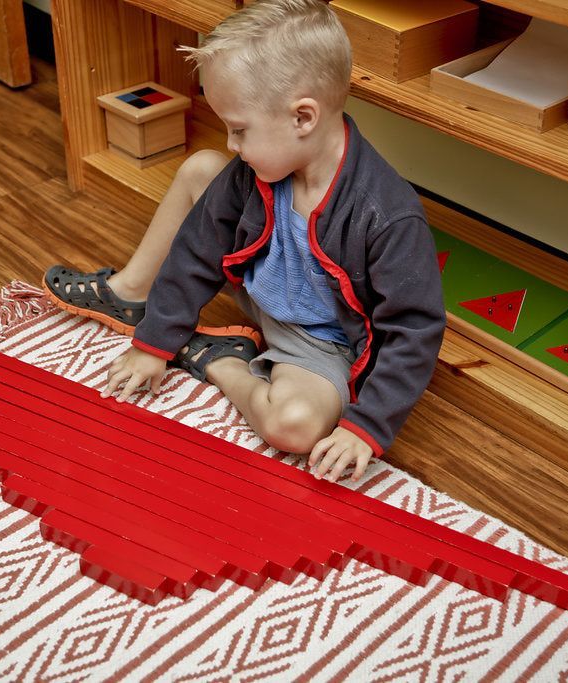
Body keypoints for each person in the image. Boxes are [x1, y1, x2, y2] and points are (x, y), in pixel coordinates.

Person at [44, 0, 445, 483]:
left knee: (292, 428)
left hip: (323, 340)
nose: (231, 144)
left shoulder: (387, 215)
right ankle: (132, 295)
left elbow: (415, 329)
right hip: (262, 288)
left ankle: (224, 363)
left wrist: (366, 428)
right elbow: (197, 249)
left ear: (302, 118)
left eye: (239, 129)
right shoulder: (254, 169)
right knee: (202, 168)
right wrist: (154, 343)